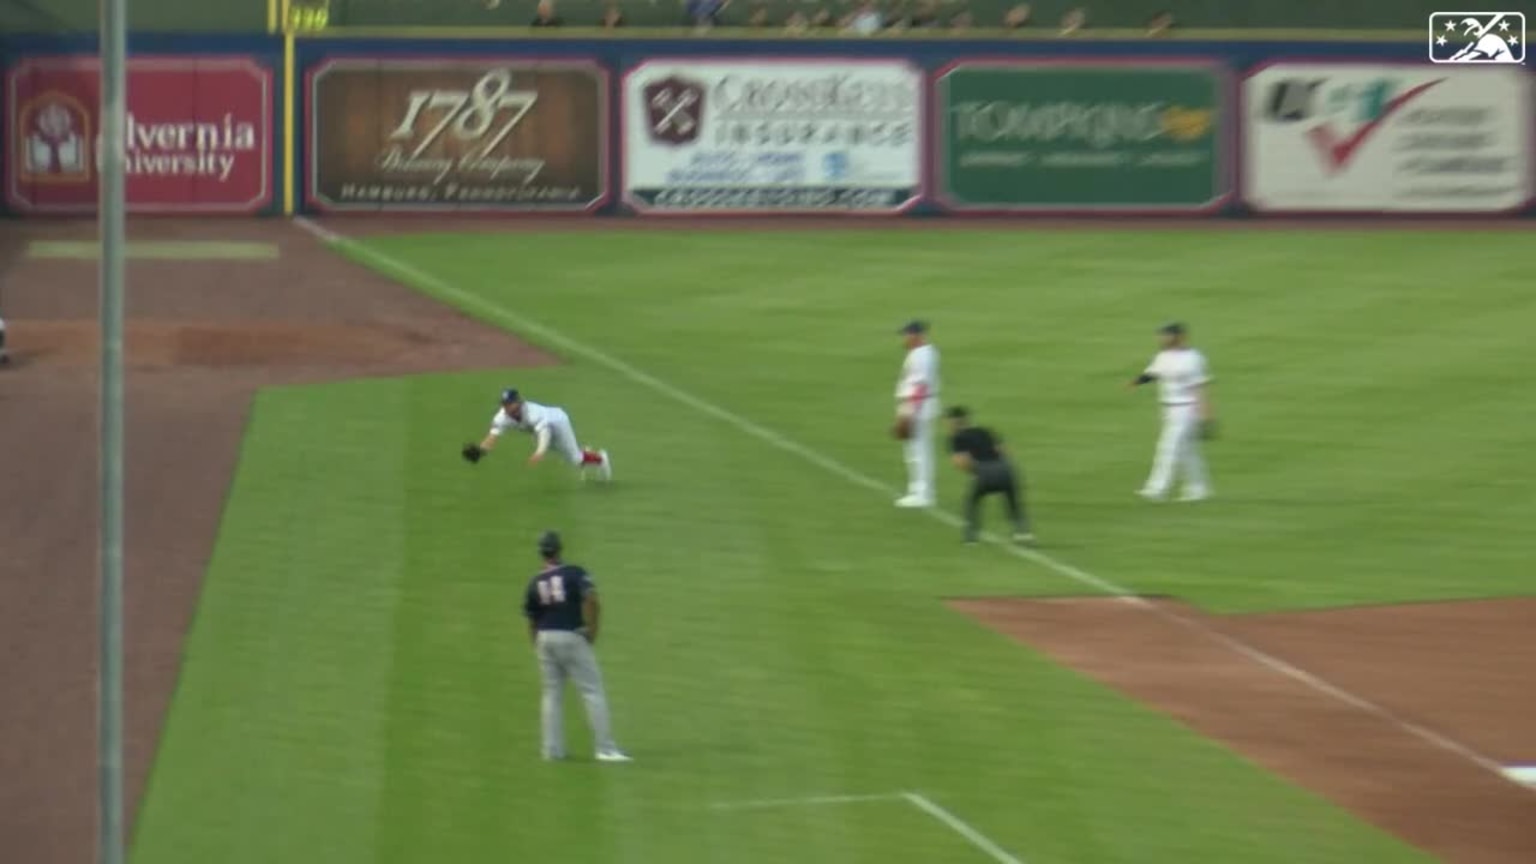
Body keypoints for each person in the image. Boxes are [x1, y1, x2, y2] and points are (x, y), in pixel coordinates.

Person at [524, 530, 630, 762]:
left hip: (544, 639)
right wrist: (592, 631)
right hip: (570, 636)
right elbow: (592, 600)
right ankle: (605, 748)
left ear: (541, 553)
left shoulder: (534, 582)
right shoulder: (574, 573)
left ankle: (552, 750)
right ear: (559, 549)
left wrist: (538, 647)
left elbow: (531, 619)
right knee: (592, 691)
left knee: (551, 694)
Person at [1128, 322, 1215, 502]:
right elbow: (1153, 373)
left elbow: (1200, 387)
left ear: (1180, 337)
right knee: (1188, 451)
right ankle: (1198, 489)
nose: (1162, 338)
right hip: (1168, 408)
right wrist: (1135, 382)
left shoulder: (1193, 358)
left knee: (1167, 448)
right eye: (1162, 335)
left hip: (1187, 409)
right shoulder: (1163, 356)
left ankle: (1156, 489)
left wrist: (1206, 413)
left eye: (1167, 335)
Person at [461, 388, 612, 480]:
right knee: (568, 455)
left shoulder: (533, 413)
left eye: (509, 403)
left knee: (574, 459)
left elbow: (544, 434)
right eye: (504, 404)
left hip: (558, 422)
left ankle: (601, 459)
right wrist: (481, 450)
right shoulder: (502, 417)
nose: (506, 407)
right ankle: (584, 454)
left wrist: (539, 453)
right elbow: (492, 437)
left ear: (518, 402)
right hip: (538, 431)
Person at [947, 406, 1034, 546]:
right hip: (1005, 469)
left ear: (954, 422)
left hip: (985, 471)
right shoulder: (984, 431)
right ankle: (1023, 533)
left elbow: (961, 462)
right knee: (1012, 501)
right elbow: (1004, 450)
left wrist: (977, 472)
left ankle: (971, 538)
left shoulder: (956, 438)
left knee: (972, 502)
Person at [893, 320, 941, 508]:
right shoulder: (927, 352)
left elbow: (919, 386)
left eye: (906, 334)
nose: (904, 338)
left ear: (916, 335)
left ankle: (923, 495)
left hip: (918, 405)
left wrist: (909, 413)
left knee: (919, 452)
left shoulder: (920, 355)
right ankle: (918, 491)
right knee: (917, 452)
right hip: (921, 403)